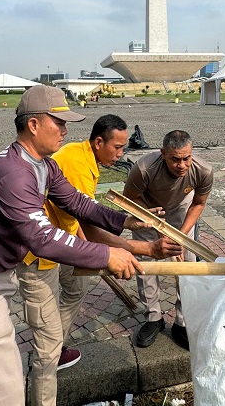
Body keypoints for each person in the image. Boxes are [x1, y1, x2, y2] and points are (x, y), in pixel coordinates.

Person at [0, 86, 151, 406]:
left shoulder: (42, 165)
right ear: (33, 125)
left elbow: (77, 202)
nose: (65, 130)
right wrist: (107, 254)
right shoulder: (14, 173)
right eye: (58, 123)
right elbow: (42, 238)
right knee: (3, 390)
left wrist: (125, 221)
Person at [16, 114, 182, 406]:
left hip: (63, 241)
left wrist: (124, 223)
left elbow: (85, 212)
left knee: (77, 288)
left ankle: (56, 345)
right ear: (98, 142)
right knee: (47, 338)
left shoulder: (80, 158)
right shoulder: (75, 165)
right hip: (39, 253)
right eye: (117, 147)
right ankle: (50, 357)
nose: (121, 153)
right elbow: (90, 225)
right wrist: (144, 249)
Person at [123, 130, 213, 349]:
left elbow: (198, 203)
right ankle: (153, 317)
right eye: (175, 159)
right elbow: (130, 199)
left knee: (187, 266)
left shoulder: (203, 171)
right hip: (147, 211)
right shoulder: (144, 168)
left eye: (186, 158)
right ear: (163, 153)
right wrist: (158, 228)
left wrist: (180, 237)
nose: (181, 165)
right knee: (146, 266)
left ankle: (183, 321)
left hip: (182, 210)